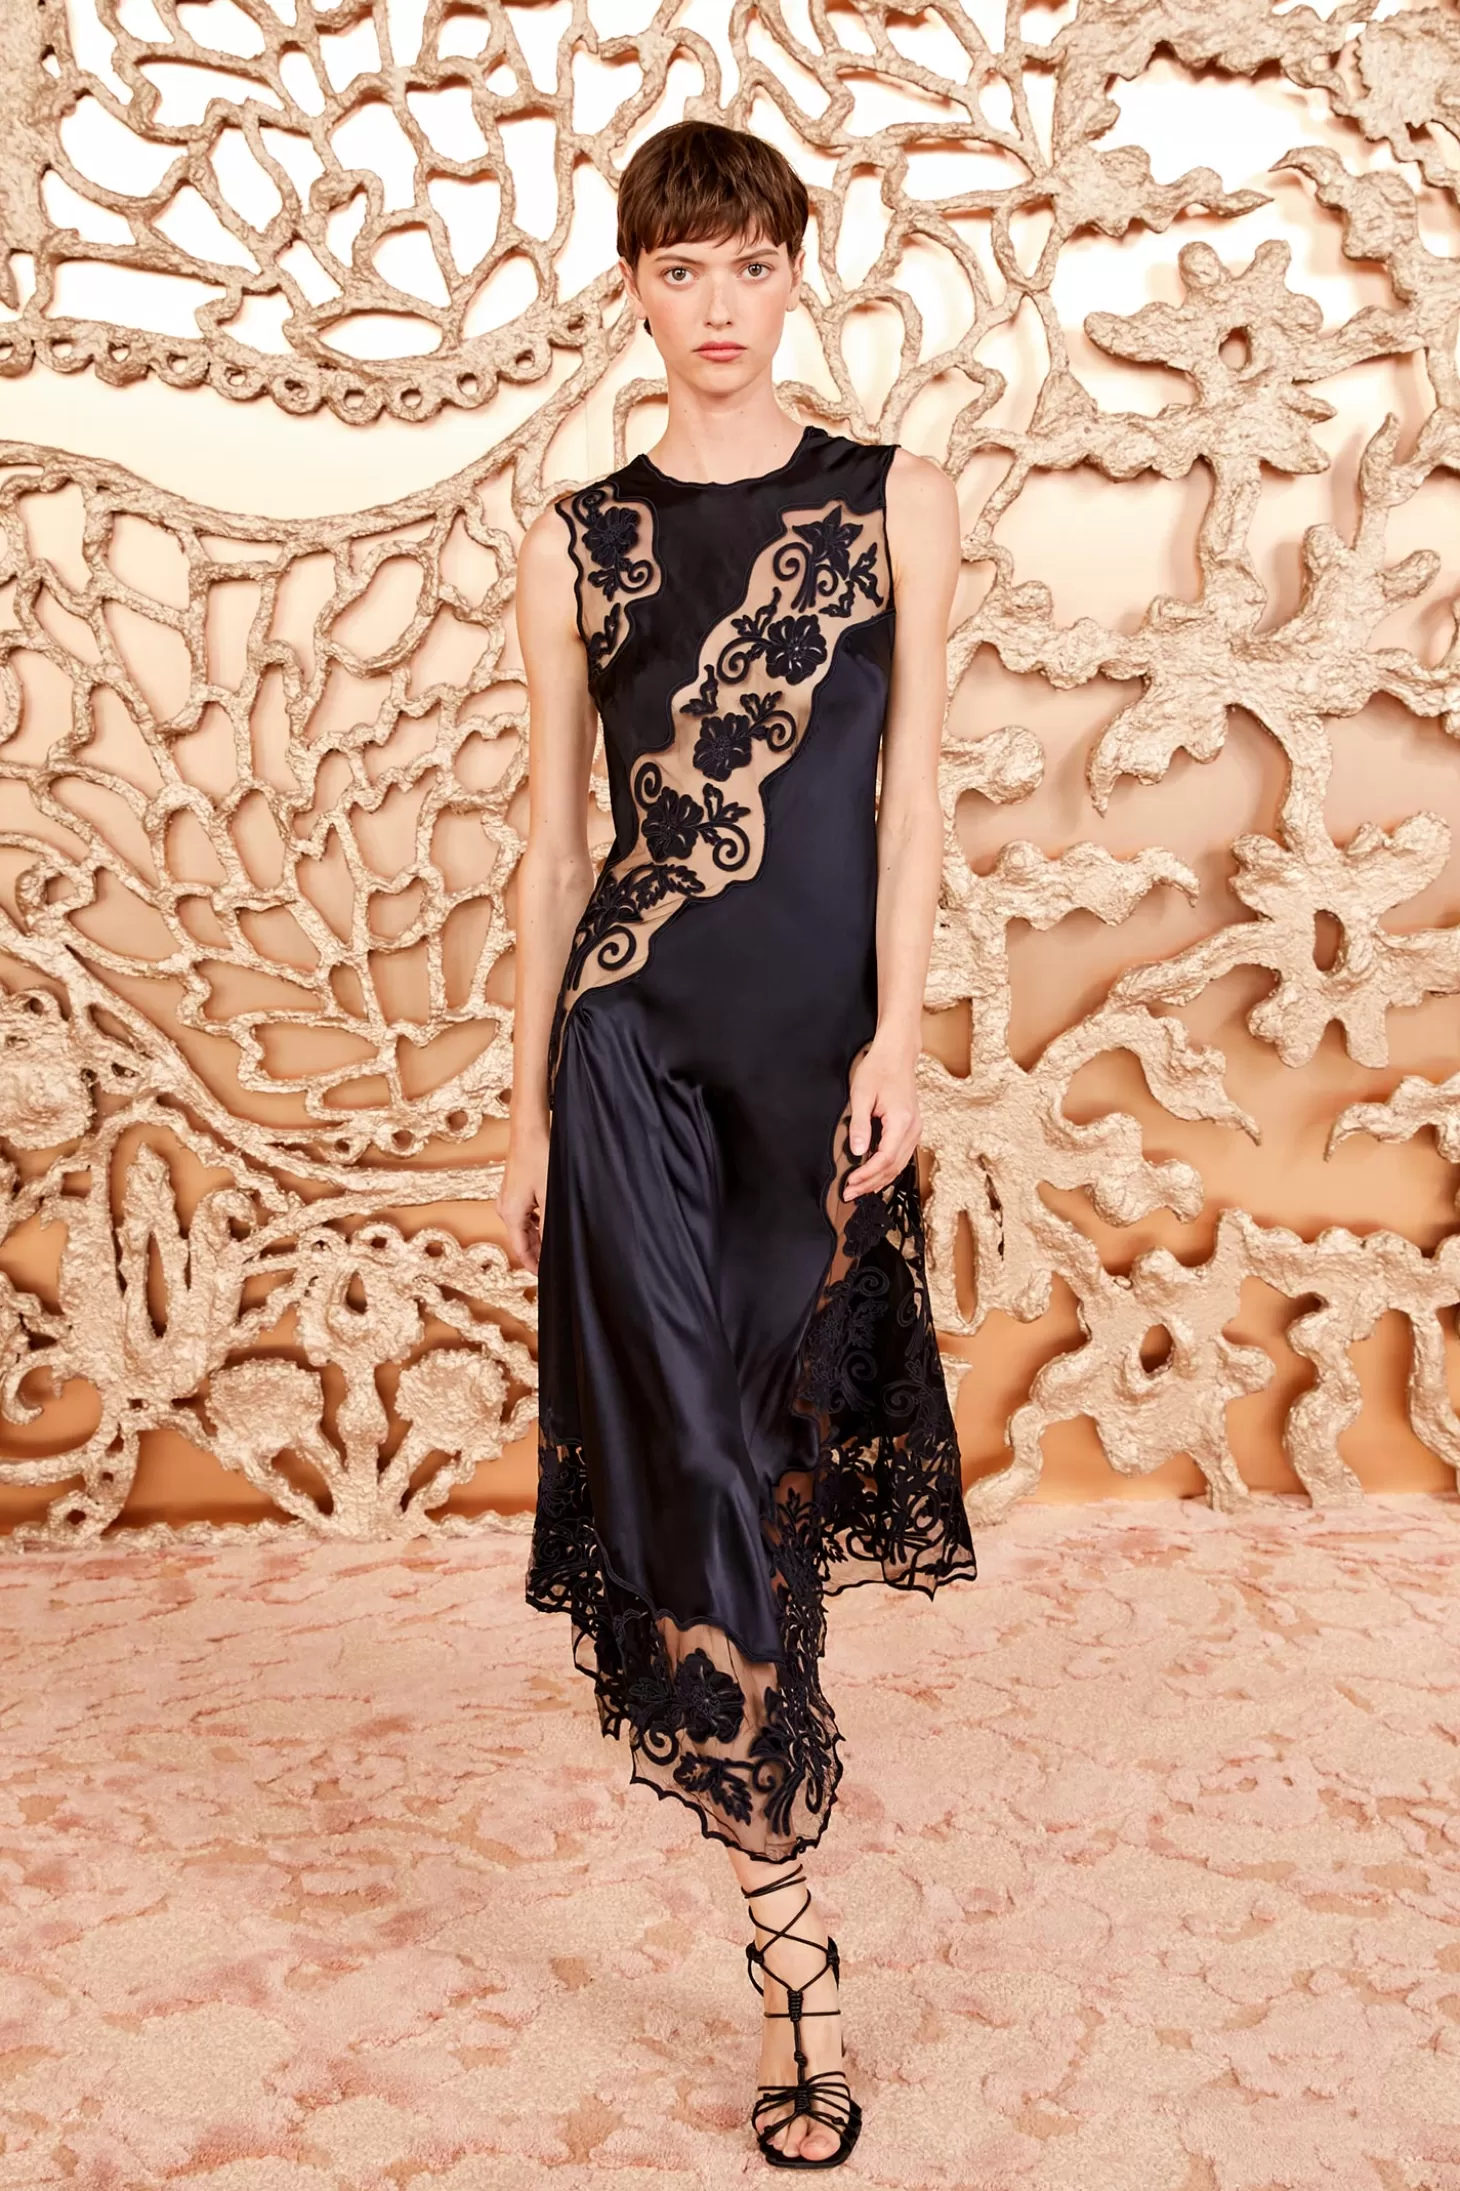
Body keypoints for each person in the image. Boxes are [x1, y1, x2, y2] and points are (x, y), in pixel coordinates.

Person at [498, 117, 978, 2169]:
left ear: (798, 273)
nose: (716, 306)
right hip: (628, 1050)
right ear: (632, 291)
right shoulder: (576, 539)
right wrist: (523, 1107)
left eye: (749, 265)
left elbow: (912, 798)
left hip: (812, 1068)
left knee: (771, 1458)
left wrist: (903, 1040)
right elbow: (556, 848)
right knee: (690, 1465)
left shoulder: (893, 502)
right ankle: (793, 1956)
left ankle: (769, 1852)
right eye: (678, 270)